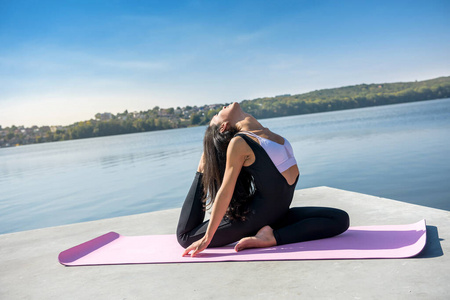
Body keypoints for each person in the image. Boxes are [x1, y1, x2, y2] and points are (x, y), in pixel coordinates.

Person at [177, 102, 349, 257]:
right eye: (216, 115)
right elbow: (226, 190)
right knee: (185, 237)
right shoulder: (239, 142)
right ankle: (202, 169)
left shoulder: (270, 136)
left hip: (278, 214)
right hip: (254, 217)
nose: (221, 108)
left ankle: (272, 236)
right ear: (223, 126)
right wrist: (207, 238)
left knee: (340, 219)